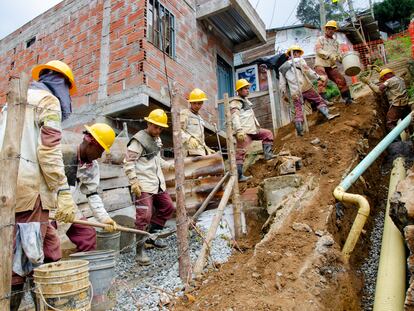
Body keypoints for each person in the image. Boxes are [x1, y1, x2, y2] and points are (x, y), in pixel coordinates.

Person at [0, 60, 77, 311]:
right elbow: (49, 150)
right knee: (31, 259)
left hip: (7, 190)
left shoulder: (9, 104)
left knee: (19, 253)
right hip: (31, 189)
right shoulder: (48, 101)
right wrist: (62, 190)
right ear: (62, 84)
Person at [123, 109, 175, 265]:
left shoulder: (157, 140)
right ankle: (139, 251)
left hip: (157, 183)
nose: (158, 130)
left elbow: (156, 160)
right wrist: (134, 182)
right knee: (144, 216)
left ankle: (151, 238)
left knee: (168, 207)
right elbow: (128, 163)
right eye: (156, 127)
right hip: (143, 184)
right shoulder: (138, 141)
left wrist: (169, 165)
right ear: (149, 123)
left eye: (161, 128)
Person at [57, 123, 118, 252]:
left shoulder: (93, 167)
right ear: (91, 143)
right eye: (100, 150)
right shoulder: (61, 154)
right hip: (49, 206)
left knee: (87, 235)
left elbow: (92, 194)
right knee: (48, 244)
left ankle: (85, 270)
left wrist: (104, 218)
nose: (100, 156)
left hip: (69, 207)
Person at [279, 45, 339, 136]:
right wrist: (319, 78)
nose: (299, 55)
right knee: (318, 100)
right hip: (306, 88)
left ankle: (300, 131)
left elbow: (282, 84)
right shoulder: (300, 60)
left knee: (298, 110)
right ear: (295, 53)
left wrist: (284, 94)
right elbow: (308, 71)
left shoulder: (282, 68)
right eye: (298, 53)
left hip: (295, 92)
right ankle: (328, 115)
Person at [230, 79, 276, 182]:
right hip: (244, 132)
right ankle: (239, 176)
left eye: (248, 88)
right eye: (245, 89)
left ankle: (268, 155)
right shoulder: (236, 102)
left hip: (253, 130)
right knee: (240, 152)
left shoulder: (246, 101)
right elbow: (235, 117)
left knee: (267, 134)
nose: (247, 90)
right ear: (239, 90)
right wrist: (239, 130)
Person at [314, 20, 353, 105]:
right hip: (321, 63)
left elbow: (338, 56)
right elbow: (318, 50)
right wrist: (329, 55)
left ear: (334, 30)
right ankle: (323, 102)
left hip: (331, 64)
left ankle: (347, 99)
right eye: (329, 29)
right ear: (326, 29)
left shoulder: (336, 43)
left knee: (341, 80)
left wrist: (343, 58)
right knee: (322, 79)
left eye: (333, 29)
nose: (331, 30)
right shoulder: (320, 39)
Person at [180, 88, 215, 156]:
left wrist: (206, 148)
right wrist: (189, 139)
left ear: (202, 103)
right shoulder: (185, 114)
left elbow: (199, 138)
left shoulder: (200, 118)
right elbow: (178, 130)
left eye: (199, 103)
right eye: (194, 103)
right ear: (190, 102)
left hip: (200, 152)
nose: (197, 105)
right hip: (189, 153)